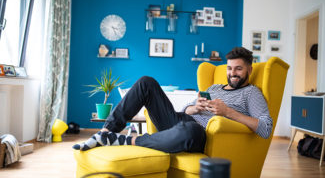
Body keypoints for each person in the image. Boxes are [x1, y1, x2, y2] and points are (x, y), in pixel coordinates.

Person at [73, 47, 272, 153]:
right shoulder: (214, 88)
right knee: (146, 82)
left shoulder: (251, 93)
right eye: (230, 68)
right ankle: (105, 133)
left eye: (238, 69)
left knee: (190, 130)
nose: (233, 73)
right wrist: (194, 107)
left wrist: (228, 112)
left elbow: (265, 128)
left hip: (200, 134)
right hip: (181, 121)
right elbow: (186, 110)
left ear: (249, 70)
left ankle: (124, 140)